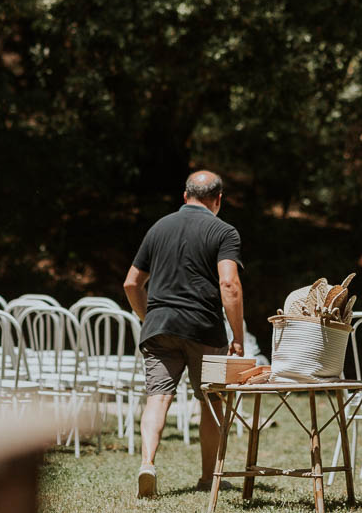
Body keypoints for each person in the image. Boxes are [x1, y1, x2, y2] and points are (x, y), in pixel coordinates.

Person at [122, 170, 244, 498]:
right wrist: (238, 336)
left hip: (160, 327)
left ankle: (147, 462)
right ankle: (208, 477)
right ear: (218, 200)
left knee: (158, 397)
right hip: (203, 328)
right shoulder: (224, 232)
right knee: (211, 401)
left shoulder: (158, 227)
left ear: (184, 194)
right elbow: (229, 283)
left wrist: (150, 317)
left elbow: (132, 283)